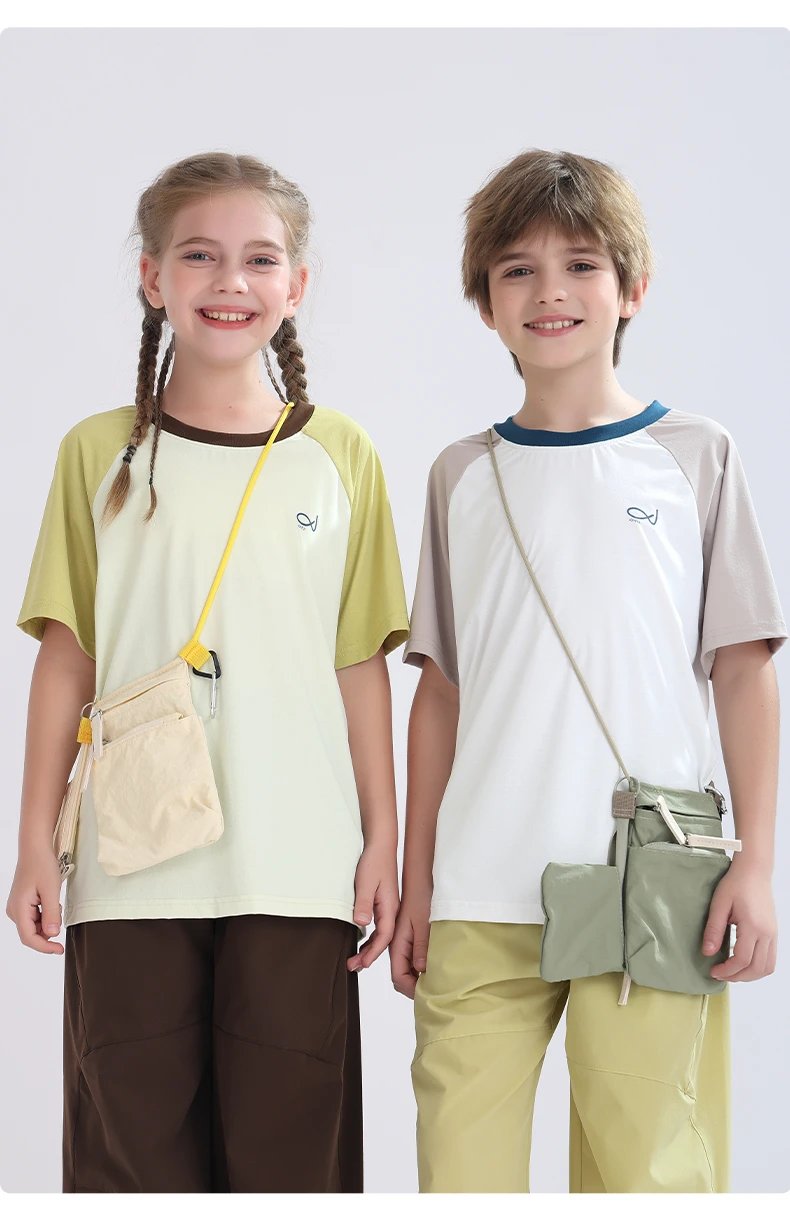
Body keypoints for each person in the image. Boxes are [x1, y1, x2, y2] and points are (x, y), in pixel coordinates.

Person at [7, 151, 409, 1193]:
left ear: (297, 284)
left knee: (292, 1159)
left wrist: (383, 838)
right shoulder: (97, 451)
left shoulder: (341, 454)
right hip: (131, 860)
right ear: (153, 277)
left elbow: (359, 662)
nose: (231, 281)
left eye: (260, 259)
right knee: (130, 1157)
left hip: (298, 861)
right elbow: (67, 655)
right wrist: (34, 841)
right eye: (199, 255)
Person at [390, 148, 786, 1193]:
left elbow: (742, 670)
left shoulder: (695, 455)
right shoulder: (461, 473)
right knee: (459, 1172)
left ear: (631, 288)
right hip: (480, 887)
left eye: (580, 265)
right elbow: (441, 690)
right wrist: (418, 879)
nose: (549, 292)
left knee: (647, 1174)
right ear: (484, 303)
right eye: (516, 270)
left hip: (649, 878)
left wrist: (754, 862)